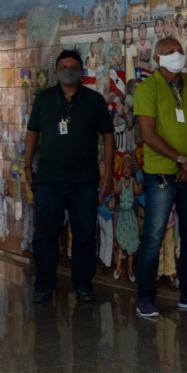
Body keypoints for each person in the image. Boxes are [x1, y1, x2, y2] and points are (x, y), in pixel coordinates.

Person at [24, 49, 114, 304]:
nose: (68, 70)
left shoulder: (95, 100)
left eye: (73, 66)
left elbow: (108, 136)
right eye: (63, 66)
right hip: (49, 178)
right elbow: (32, 132)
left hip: (84, 179)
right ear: (56, 71)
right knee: (45, 234)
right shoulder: (43, 99)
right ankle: (44, 284)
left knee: (85, 233)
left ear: (82, 70)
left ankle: (83, 285)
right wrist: (28, 167)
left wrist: (107, 174)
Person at [133, 37, 187, 317]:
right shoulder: (147, 89)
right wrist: (181, 160)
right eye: (170, 52)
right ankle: (145, 297)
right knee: (154, 236)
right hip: (161, 174)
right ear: (157, 58)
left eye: (180, 50)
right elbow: (148, 135)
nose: (177, 55)